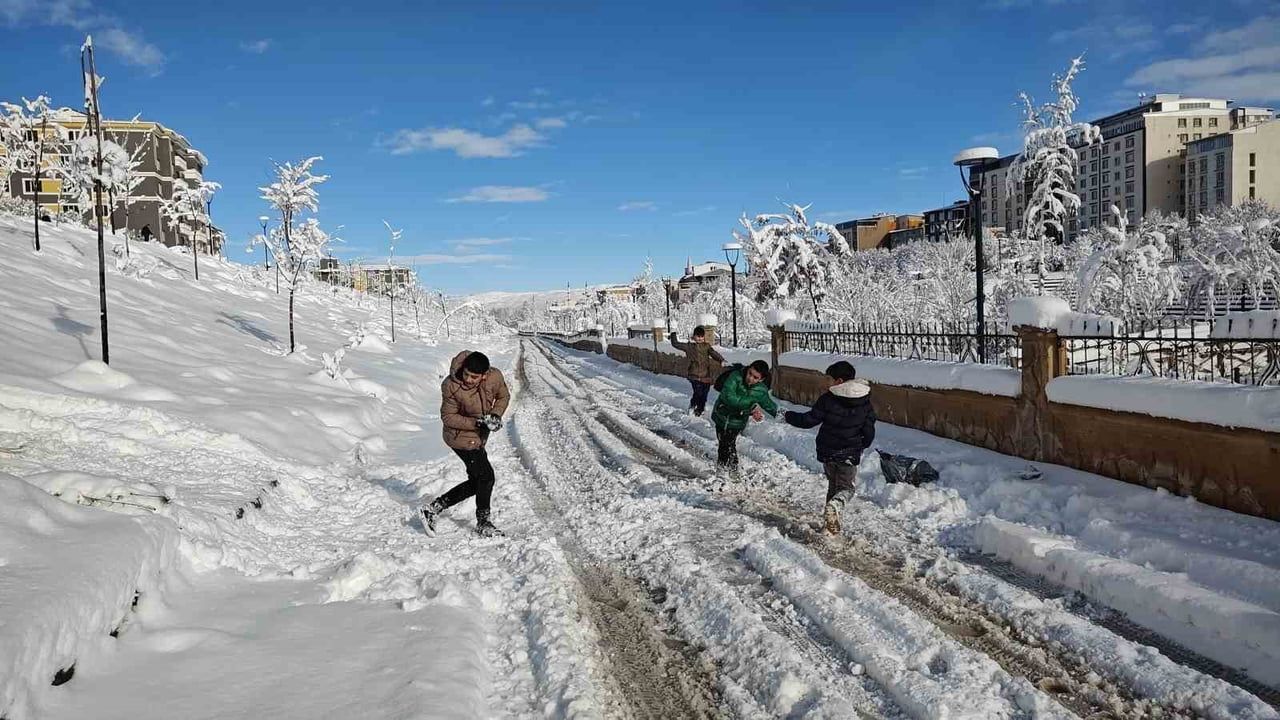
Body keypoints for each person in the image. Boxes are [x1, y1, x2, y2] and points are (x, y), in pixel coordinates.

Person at [421, 351, 511, 537]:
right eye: (466, 374)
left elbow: (503, 396)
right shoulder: (451, 385)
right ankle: (483, 523)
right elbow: (448, 417)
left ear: (485, 375)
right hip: (458, 436)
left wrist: (495, 415)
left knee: (477, 481)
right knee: (486, 477)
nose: (468, 379)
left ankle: (433, 508)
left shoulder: (495, 377)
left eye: (474, 377)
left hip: (478, 436)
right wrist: (478, 423)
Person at [782, 361, 876, 534]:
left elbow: (809, 420)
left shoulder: (828, 399)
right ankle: (835, 507)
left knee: (833, 487)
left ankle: (829, 524)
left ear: (839, 381)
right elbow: (869, 432)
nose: (825, 382)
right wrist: (862, 445)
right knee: (846, 489)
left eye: (828, 378)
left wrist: (787, 415)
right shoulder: (865, 403)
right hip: (849, 454)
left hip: (828, 452)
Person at [710, 359, 778, 470]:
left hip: (737, 421)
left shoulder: (760, 390)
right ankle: (724, 468)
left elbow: (769, 405)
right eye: (750, 373)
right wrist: (751, 409)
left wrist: (786, 416)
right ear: (748, 368)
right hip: (722, 415)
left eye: (755, 377)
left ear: (761, 379)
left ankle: (730, 469)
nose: (750, 378)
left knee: (728, 444)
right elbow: (729, 398)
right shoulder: (735, 377)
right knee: (723, 443)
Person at [669, 325, 724, 416]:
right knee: (698, 392)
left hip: (706, 375)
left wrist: (721, 360)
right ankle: (693, 406)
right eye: (698, 336)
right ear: (694, 336)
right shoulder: (689, 346)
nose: (700, 338)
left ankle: (700, 409)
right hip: (694, 375)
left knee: (704, 394)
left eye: (701, 336)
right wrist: (673, 332)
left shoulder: (706, 346)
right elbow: (676, 344)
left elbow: (713, 353)